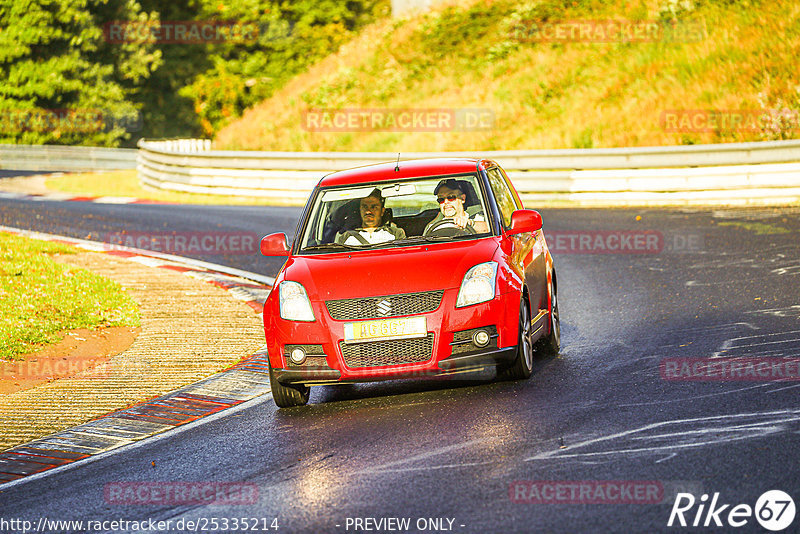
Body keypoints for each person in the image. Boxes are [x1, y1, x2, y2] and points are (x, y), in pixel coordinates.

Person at [335, 188, 405, 245]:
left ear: (382, 211)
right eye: (364, 206)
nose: (368, 211)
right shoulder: (345, 237)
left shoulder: (396, 234)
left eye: (374, 207)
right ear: (360, 209)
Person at [423, 178, 489, 235]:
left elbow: (489, 230)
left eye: (451, 197)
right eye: (441, 199)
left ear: (463, 199)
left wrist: (470, 223)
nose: (446, 202)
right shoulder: (432, 227)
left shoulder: (479, 218)